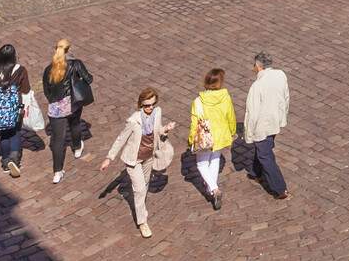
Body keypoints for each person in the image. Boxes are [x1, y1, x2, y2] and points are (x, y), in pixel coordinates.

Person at [101, 87, 176, 239]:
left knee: (145, 185)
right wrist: (109, 158)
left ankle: (140, 206)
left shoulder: (157, 113)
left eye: (153, 104)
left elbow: (157, 131)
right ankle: (142, 222)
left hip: (149, 157)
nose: (150, 107)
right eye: (147, 105)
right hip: (133, 160)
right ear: (141, 104)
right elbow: (121, 138)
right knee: (140, 189)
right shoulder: (133, 121)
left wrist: (166, 129)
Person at [41, 39, 95, 183]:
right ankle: (77, 148)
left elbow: (46, 91)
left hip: (56, 108)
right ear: (69, 50)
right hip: (72, 103)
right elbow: (89, 79)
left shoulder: (48, 69)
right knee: (75, 124)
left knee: (58, 141)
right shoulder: (76, 64)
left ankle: (57, 172)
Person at [187, 68, 236, 209]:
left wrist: (191, 139)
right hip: (221, 135)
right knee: (215, 160)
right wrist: (232, 132)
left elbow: (194, 123)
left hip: (205, 137)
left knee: (201, 164)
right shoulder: (225, 97)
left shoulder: (198, 101)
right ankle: (212, 189)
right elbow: (230, 116)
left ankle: (214, 189)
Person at [0, 44, 33, 176]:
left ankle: (5, 162)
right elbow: (26, 89)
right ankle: (14, 160)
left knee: (4, 135)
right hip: (15, 108)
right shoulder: (20, 70)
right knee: (15, 132)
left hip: (0, 111)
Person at [244, 52, 290, 200]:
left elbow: (251, 113)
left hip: (262, 125)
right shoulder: (281, 75)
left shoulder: (257, 86)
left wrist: (249, 135)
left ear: (258, 66)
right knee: (265, 146)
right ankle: (255, 171)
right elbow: (286, 97)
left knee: (265, 154)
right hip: (275, 120)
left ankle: (280, 188)